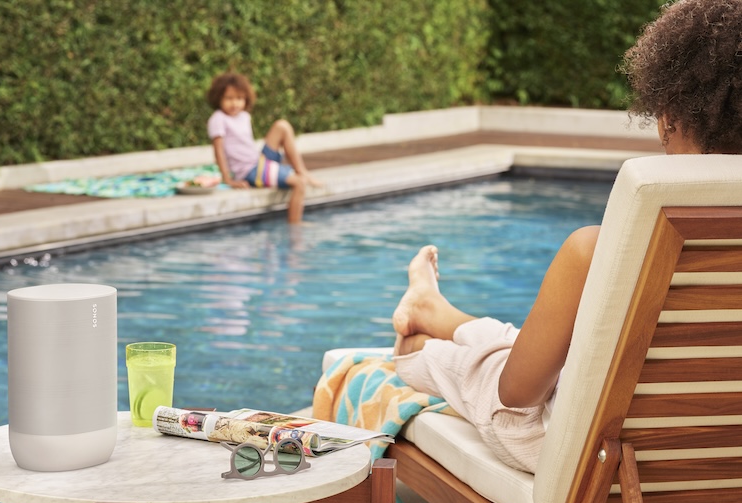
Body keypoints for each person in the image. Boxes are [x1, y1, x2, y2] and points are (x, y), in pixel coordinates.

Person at [389, 0, 742, 472]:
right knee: (540, 349)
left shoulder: (600, 252)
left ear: (666, 117)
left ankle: (422, 332)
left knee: (475, 369)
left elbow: (515, 398)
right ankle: (434, 308)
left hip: (592, 457)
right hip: (719, 453)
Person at [206, 71, 321, 224]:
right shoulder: (218, 119)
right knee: (299, 184)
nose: (235, 103)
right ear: (218, 98)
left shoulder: (244, 116)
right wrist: (227, 178)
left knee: (282, 126)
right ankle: (295, 225)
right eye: (229, 98)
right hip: (249, 171)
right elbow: (218, 150)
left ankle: (302, 171)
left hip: (258, 162)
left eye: (239, 98)